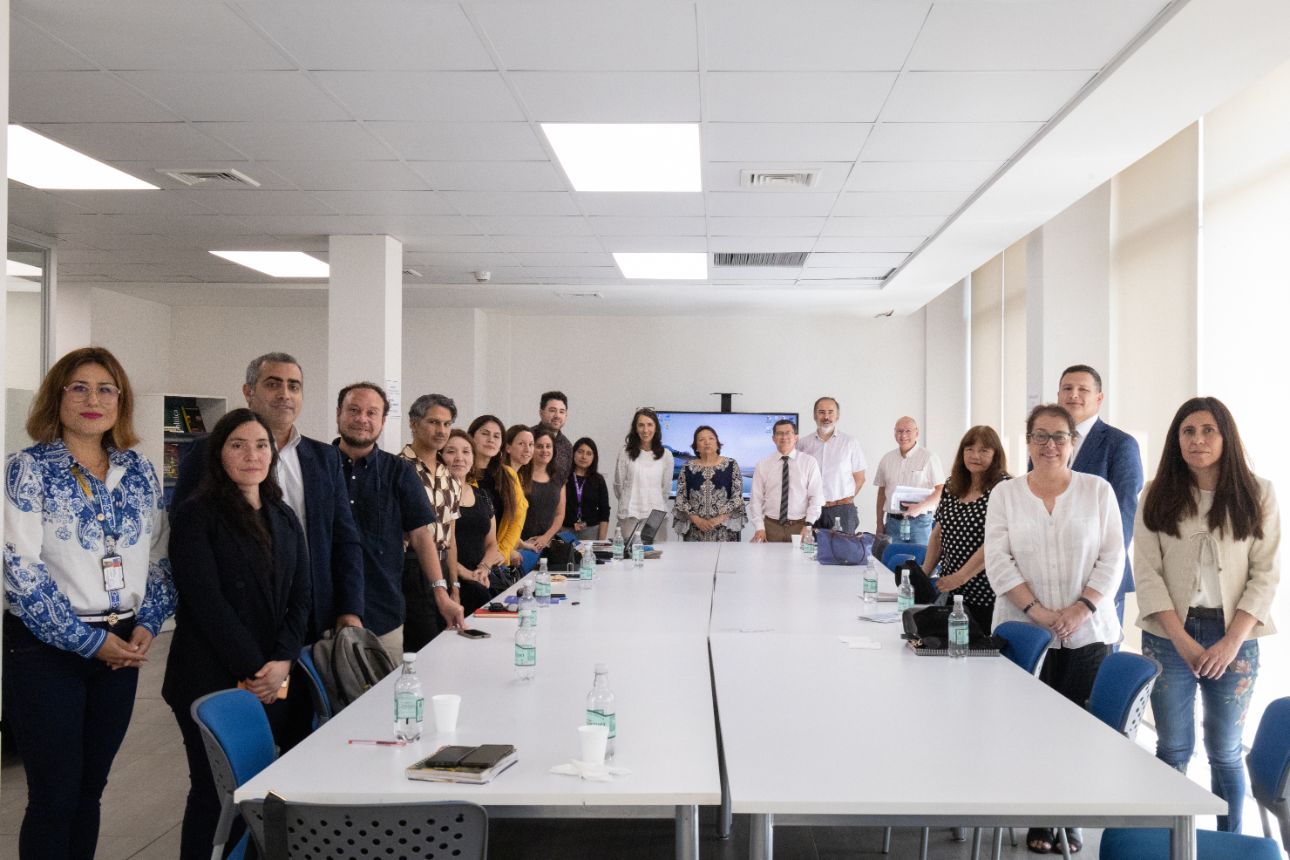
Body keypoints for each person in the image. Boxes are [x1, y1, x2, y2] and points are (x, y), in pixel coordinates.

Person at [3, 347, 176, 860]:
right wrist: (89, 642)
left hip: (123, 645)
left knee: (91, 790)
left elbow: (160, 554)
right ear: (56, 397)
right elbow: (19, 569)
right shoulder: (26, 470)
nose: (93, 399)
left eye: (106, 389)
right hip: (46, 650)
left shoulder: (139, 471)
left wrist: (148, 621)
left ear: (120, 401)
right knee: (54, 796)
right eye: (78, 387)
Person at [163, 409, 311, 860]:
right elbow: (207, 603)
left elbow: (301, 598)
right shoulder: (196, 515)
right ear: (218, 453)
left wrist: (282, 663)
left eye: (262, 445)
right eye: (238, 445)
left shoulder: (282, 515)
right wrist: (254, 670)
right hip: (210, 675)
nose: (252, 454)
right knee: (216, 793)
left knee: (264, 790)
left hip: (275, 674)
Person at [1135, 397, 1280, 834]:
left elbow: (1266, 574)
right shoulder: (1156, 493)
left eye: (1207, 430)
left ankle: (1229, 841)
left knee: (1226, 751)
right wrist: (1182, 640)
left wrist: (1231, 641)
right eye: (1188, 431)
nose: (1197, 440)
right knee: (1173, 748)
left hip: (1234, 636)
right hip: (1169, 634)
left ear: (1225, 436)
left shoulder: (1258, 493)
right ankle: (1169, 841)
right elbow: (1147, 572)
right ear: (1176, 439)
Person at [985, 404, 1124, 855]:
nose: (1050, 446)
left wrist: (1081, 608)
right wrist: (1038, 611)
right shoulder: (1006, 494)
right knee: (1027, 728)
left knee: (1076, 729)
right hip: (1023, 631)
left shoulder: (1097, 491)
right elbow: (998, 559)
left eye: (1059, 437)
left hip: (1087, 632)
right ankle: (1037, 815)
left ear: (1073, 443)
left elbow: (1112, 557)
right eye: (1040, 437)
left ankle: (1068, 816)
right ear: (1027, 442)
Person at [172, 352, 362, 639]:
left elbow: (344, 539)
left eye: (293, 386)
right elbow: (186, 544)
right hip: (234, 622)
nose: (285, 394)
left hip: (311, 617)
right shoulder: (206, 452)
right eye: (273, 384)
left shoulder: (325, 459)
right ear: (248, 392)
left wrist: (349, 609)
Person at [333, 383, 464, 664]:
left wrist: (442, 593)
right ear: (338, 414)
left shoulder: (398, 472)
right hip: (325, 610)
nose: (362, 419)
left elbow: (421, 535)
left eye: (372, 412)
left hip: (383, 608)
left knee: (388, 693)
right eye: (353, 410)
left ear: (382, 421)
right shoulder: (318, 466)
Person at [1058, 364, 1144, 628]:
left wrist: (1101, 576)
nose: (1074, 395)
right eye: (1067, 389)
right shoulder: (1046, 444)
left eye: (1083, 389)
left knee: (1099, 663)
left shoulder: (1120, 445)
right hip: (1052, 575)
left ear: (1099, 398)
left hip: (1098, 577)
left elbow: (1124, 515)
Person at [924, 426, 1010, 634]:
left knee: (976, 656)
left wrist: (961, 576)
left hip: (986, 592)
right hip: (950, 590)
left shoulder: (1005, 488)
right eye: (969, 449)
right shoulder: (952, 485)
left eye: (984, 451)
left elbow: (995, 541)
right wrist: (924, 573)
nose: (975, 456)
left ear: (996, 455)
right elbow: (939, 532)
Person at [399, 393, 463, 651]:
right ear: (414, 423)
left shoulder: (451, 476)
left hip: (444, 565)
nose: (441, 430)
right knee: (421, 647)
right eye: (434, 422)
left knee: (445, 644)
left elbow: (452, 536)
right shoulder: (397, 468)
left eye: (447, 424)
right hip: (410, 569)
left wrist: (455, 585)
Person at [441, 430, 504, 604]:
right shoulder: (437, 495)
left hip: (481, 579)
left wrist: (483, 569)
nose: (459, 458)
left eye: (466, 452)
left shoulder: (482, 495)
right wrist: (465, 573)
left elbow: (492, 544)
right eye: (451, 451)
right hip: (448, 580)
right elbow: (438, 546)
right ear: (440, 456)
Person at [796, 397, 866, 534]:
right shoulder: (803, 444)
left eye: (830, 412)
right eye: (821, 412)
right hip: (812, 510)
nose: (826, 416)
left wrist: (845, 500)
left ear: (837, 416)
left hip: (842, 510)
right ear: (814, 415)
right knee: (809, 552)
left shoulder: (850, 443)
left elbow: (860, 478)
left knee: (843, 552)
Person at [874, 416, 945, 546]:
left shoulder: (929, 457)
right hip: (893, 523)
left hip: (919, 523)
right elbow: (881, 493)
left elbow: (941, 490)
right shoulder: (887, 459)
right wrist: (879, 522)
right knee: (891, 563)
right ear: (894, 433)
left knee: (921, 564)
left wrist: (920, 507)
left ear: (916, 433)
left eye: (908, 431)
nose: (903, 435)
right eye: (899, 431)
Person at [749, 420, 823, 544]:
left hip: (800, 526)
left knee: (800, 563)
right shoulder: (763, 465)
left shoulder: (809, 462)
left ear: (796, 437)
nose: (784, 437)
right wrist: (759, 527)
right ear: (773, 438)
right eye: (779, 433)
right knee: (769, 563)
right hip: (771, 527)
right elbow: (756, 499)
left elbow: (816, 497)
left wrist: (808, 524)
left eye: (788, 433)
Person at [468, 415, 526, 568]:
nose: (491, 440)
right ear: (471, 437)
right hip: (467, 556)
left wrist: (503, 551)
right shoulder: (463, 473)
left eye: (496, 436)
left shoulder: (508, 474)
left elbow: (518, 516)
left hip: (497, 560)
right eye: (485, 434)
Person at [673, 425, 746, 542]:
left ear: (717, 444)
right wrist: (697, 520)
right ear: (696, 447)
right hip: (695, 531)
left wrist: (717, 520)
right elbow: (681, 498)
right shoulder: (687, 467)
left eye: (711, 438)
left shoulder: (731, 464)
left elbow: (737, 497)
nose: (707, 442)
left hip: (724, 531)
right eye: (701, 440)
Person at [613, 408, 675, 542]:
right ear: (635, 428)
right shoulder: (625, 452)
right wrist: (629, 500)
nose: (645, 430)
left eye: (649, 425)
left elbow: (666, 488)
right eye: (641, 425)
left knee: (656, 557)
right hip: (630, 515)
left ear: (656, 428)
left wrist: (654, 501)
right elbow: (619, 485)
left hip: (655, 517)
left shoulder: (666, 455)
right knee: (628, 557)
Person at [519, 427, 567, 552]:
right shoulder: (520, 474)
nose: (544, 450)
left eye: (548, 446)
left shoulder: (558, 476)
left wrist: (545, 538)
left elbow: (560, 514)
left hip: (549, 544)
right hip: (521, 543)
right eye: (539, 446)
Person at [502, 424, 538, 569]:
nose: (527, 449)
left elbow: (512, 524)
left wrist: (522, 544)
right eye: (521, 444)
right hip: (500, 554)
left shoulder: (517, 477)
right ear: (508, 447)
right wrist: (510, 551)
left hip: (507, 550)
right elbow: (499, 522)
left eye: (531, 444)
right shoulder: (504, 475)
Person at [563, 437, 611, 540]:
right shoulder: (563, 477)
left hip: (591, 531)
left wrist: (601, 541)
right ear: (573, 453)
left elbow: (604, 511)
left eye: (589, 453)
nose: (584, 457)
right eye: (580, 452)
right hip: (565, 530)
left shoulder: (598, 480)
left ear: (594, 457)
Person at [532, 390, 573, 486]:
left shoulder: (567, 446)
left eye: (561, 412)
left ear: (566, 415)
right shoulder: (527, 437)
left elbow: (564, 483)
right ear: (541, 413)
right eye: (552, 410)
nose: (557, 416)